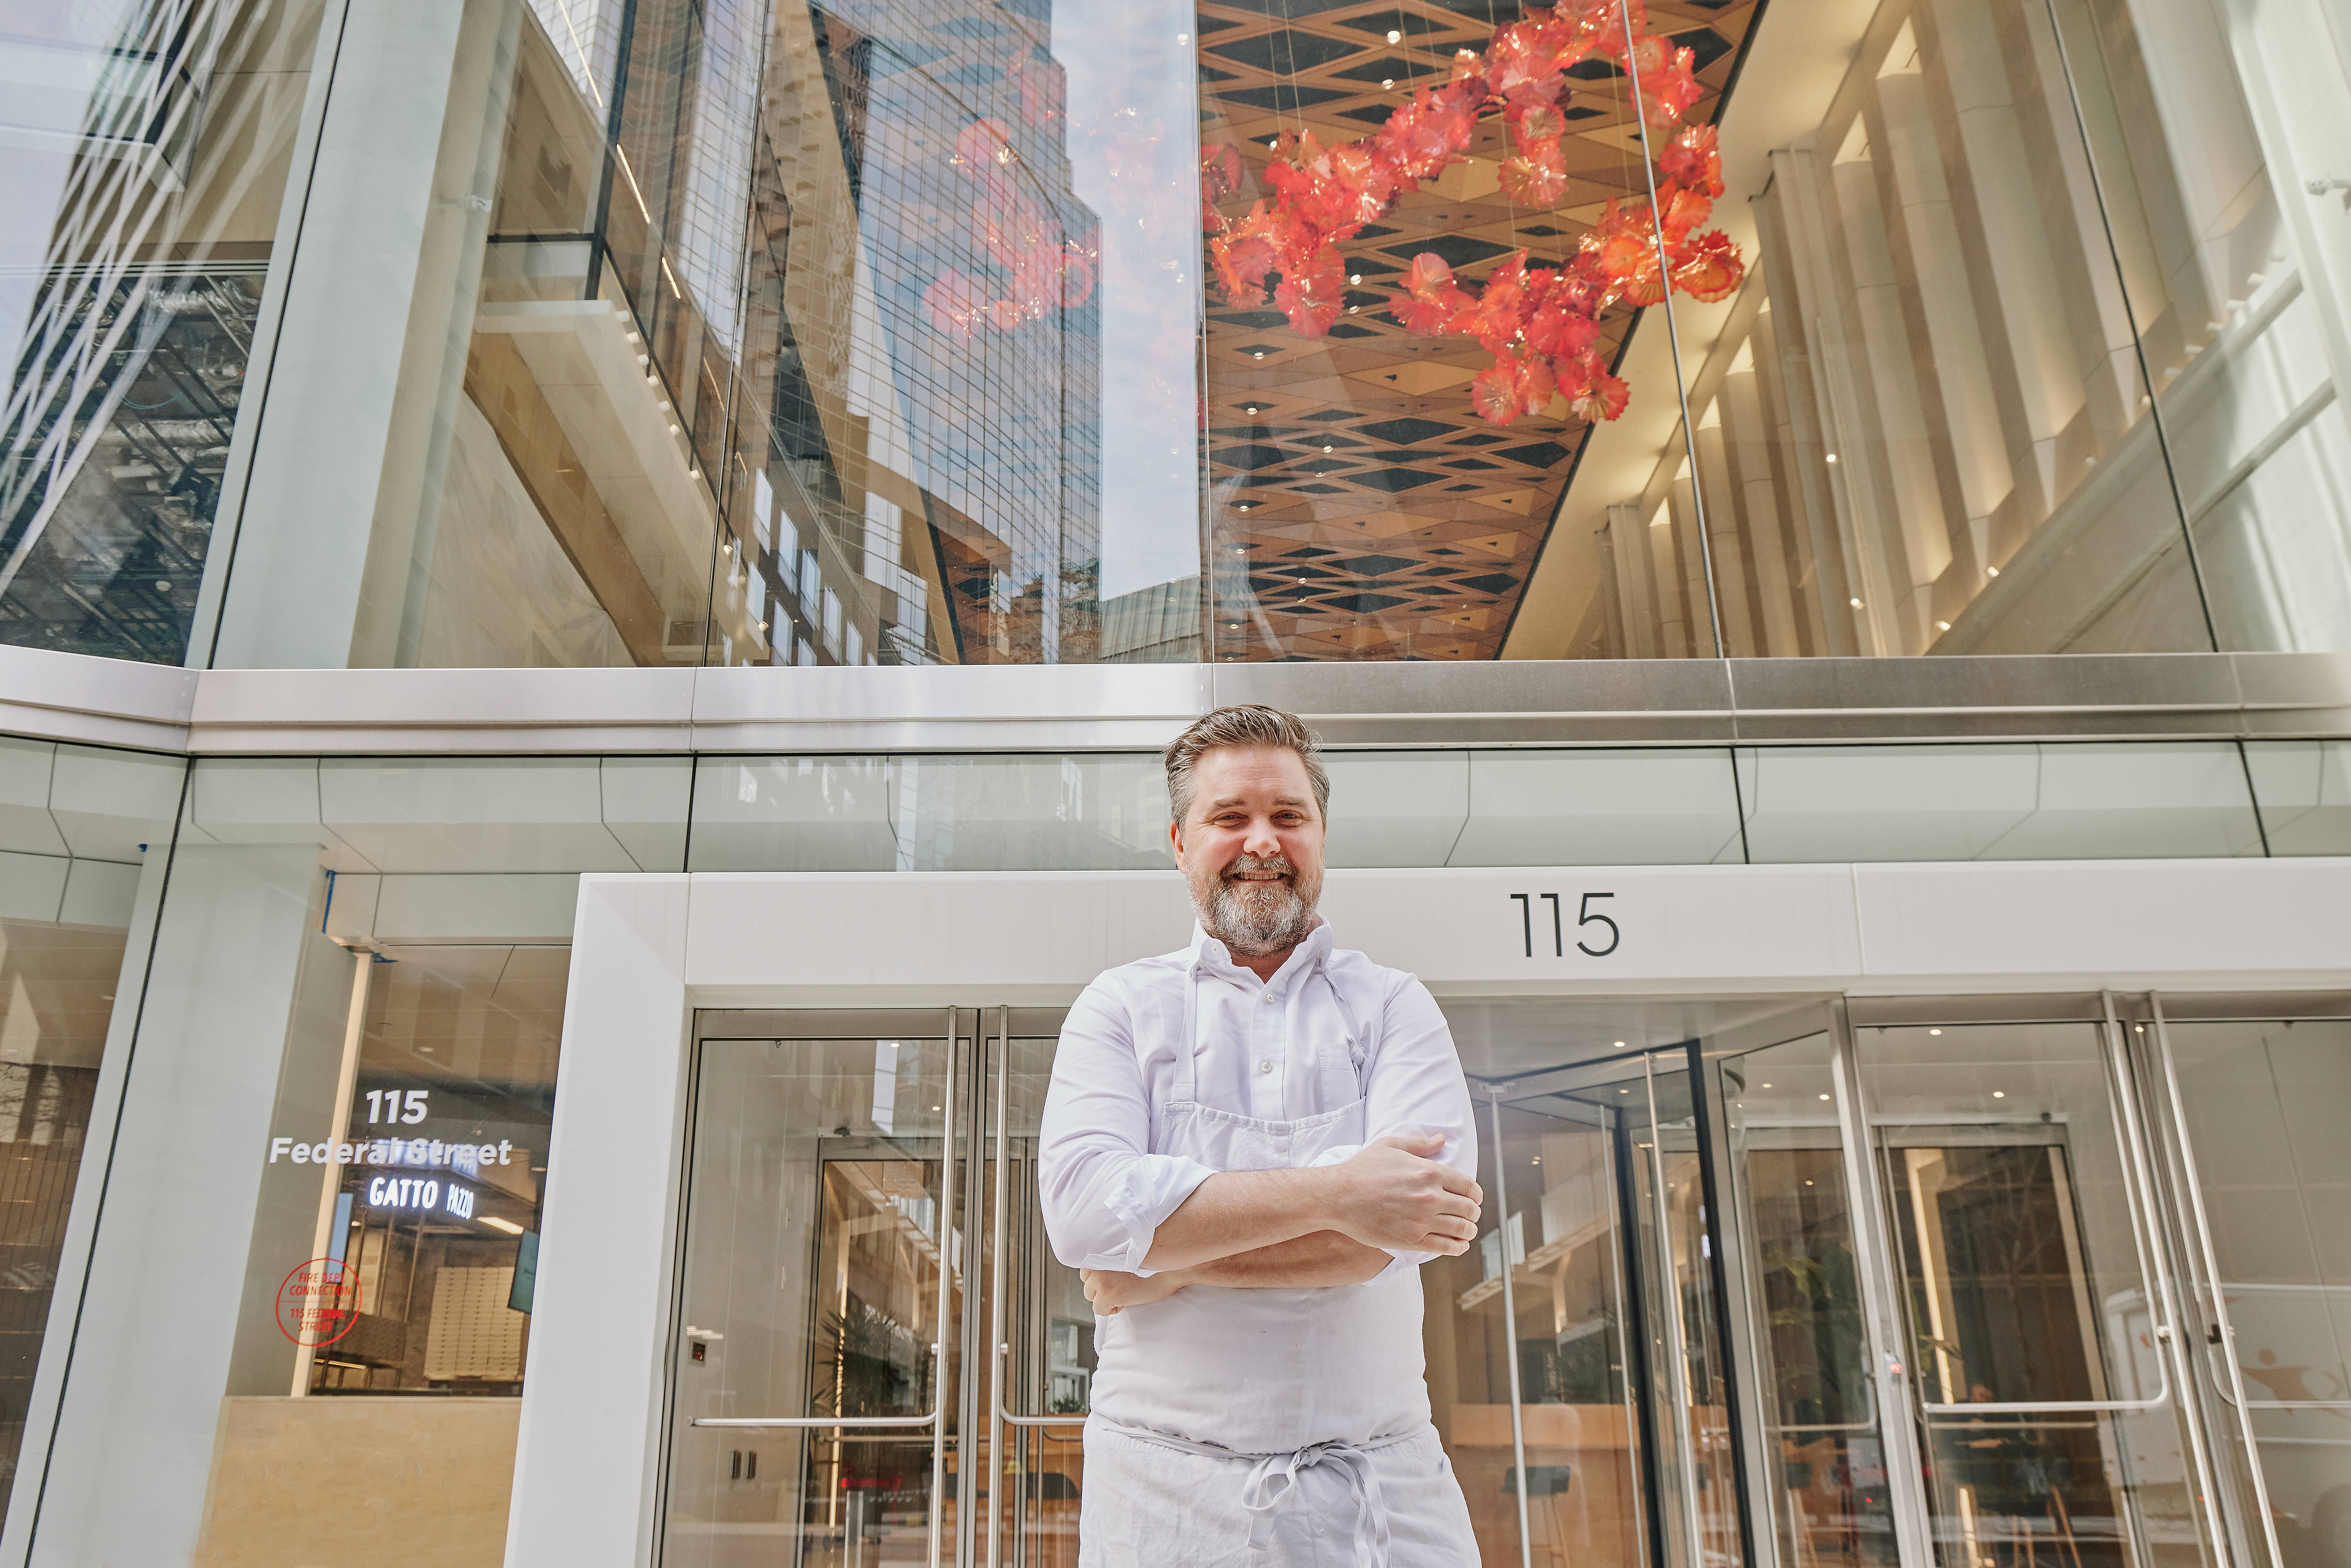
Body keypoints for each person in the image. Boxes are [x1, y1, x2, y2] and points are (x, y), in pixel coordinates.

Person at [1037, 704, 1484, 1566]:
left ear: (1321, 834)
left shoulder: (1394, 1004)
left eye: (1288, 815)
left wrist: (1170, 1257)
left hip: (1382, 1489)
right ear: (1181, 842)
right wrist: (1342, 1193)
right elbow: (1086, 1216)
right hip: (1162, 1499)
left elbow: (1412, 1225)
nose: (1263, 841)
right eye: (1230, 817)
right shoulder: (1119, 1005)